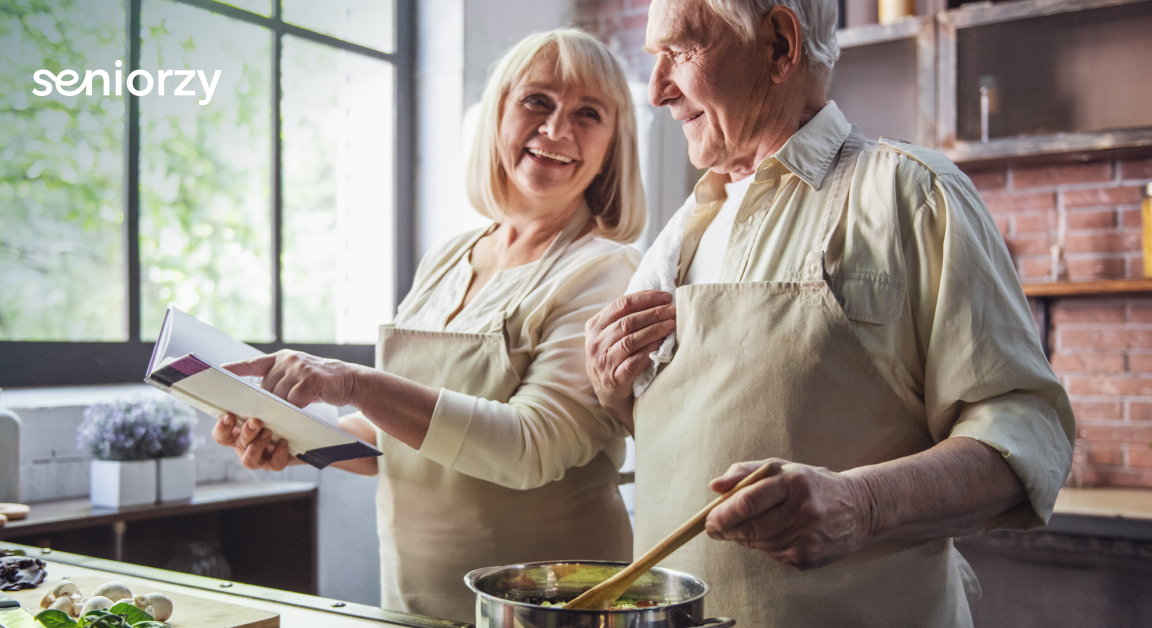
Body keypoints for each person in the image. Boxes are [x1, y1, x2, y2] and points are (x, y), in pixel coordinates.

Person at [584, 1, 1075, 626]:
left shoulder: (913, 194)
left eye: (680, 52)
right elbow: (711, 427)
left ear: (781, 46)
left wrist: (861, 504)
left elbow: (1029, 432)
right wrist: (618, 396)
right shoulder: (683, 232)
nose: (656, 90)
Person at [212, 29, 646, 623]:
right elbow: (398, 438)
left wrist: (353, 381)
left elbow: (529, 447)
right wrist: (300, 441)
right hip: (414, 602)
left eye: (587, 114)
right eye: (536, 101)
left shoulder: (606, 270)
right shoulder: (449, 258)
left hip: (549, 609)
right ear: (497, 115)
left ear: (612, 145)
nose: (555, 129)